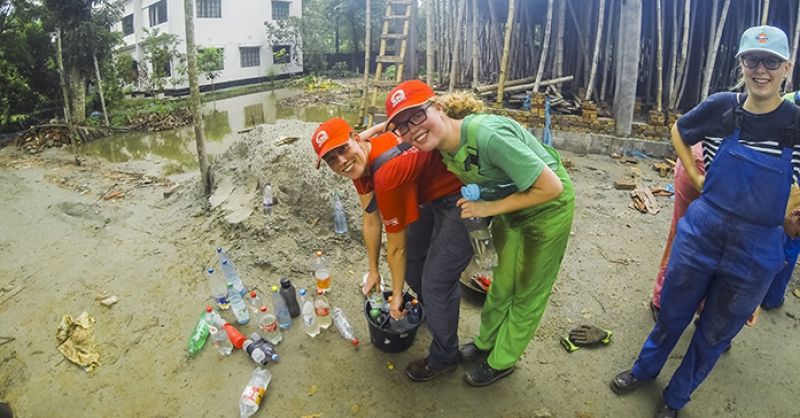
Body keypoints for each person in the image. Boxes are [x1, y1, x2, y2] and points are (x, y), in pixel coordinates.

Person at [610, 26, 800, 418]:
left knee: (715, 333)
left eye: (770, 62)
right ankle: (644, 371)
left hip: (758, 247)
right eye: (751, 60)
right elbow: (679, 130)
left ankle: (676, 399)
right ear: (741, 64)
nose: (760, 70)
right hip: (702, 232)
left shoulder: (795, 124)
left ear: (787, 68)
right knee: (673, 314)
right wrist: (696, 178)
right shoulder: (721, 107)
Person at [383, 80, 575, 386]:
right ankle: (485, 342)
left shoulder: (487, 135)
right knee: (502, 282)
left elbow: (552, 187)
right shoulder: (442, 148)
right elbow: (380, 143)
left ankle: (503, 360)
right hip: (508, 208)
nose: (413, 130)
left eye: (417, 116)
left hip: (546, 208)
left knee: (527, 291)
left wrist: (488, 207)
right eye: (402, 127)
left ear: (439, 108)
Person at [310, 117, 473, 382]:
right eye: (331, 159)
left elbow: (396, 246)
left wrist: (396, 296)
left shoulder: (385, 174)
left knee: (436, 281)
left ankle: (445, 357)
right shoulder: (359, 166)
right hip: (426, 195)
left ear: (357, 137)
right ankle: (435, 310)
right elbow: (370, 219)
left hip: (458, 195)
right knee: (413, 266)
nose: (341, 161)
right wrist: (373, 270)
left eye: (342, 149)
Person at [650, 95, 800, 321]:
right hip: (704, 164)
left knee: (721, 245)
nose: (793, 239)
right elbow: (679, 130)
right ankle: (663, 298)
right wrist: (695, 176)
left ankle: (703, 307)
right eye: (797, 234)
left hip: (738, 181)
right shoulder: (726, 104)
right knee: (684, 234)